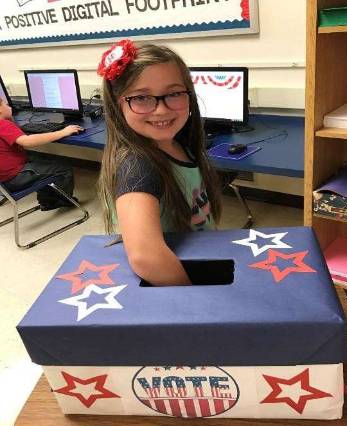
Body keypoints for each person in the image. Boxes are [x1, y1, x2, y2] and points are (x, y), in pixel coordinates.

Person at [98, 39, 222, 286]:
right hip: (179, 278)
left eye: (174, 94)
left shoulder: (178, 143)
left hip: (199, 255)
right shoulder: (137, 167)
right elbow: (146, 257)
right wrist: (194, 296)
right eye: (142, 98)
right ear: (118, 103)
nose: (161, 110)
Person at [0, 96, 83, 210]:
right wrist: (63, 132)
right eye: (6, 105)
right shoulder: (3, 125)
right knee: (64, 167)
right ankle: (56, 201)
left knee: (43, 158)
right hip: (14, 179)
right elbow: (27, 142)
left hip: (4, 179)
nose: (9, 106)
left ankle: (47, 197)